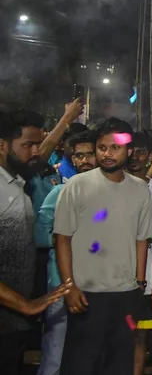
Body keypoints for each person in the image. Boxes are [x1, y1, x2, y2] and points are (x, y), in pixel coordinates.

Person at [53, 118, 152, 375]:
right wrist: (69, 287)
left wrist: (140, 284)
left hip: (126, 295)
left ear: (129, 151)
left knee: (119, 366)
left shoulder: (140, 189)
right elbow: (62, 239)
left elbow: (142, 239)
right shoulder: (77, 186)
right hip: (86, 296)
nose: (108, 154)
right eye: (102, 147)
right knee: (80, 365)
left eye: (115, 148)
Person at [0, 113, 72, 374]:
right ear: (2, 145)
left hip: (12, 323)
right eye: (28, 145)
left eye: (38, 144)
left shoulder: (17, 183)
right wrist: (24, 304)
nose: (36, 152)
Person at [35, 130, 97, 375]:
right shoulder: (60, 192)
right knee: (55, 353)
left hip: (97, 284)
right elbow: (40, 236)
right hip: (61, 284)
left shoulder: (111, 193)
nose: (83, 161)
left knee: (91, 353)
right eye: (78, 156)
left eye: (89, 155)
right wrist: (68, 239)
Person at [124, 133, 152, 375]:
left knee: (140, 337)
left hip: (148, 278)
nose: (135, 157)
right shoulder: (116, 186)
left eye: (141, 152)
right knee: (119, 337)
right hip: (118, 277)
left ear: (150, 156)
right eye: (131, 151)